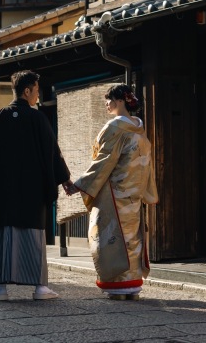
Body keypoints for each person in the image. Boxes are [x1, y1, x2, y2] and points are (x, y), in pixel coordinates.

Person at [0, 70, 75, 301]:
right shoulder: (37, 118)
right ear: (27, 91)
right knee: (32, 236)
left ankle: (0, 289)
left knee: (1, 234)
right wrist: (65, 179)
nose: (38, 95)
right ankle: (39, 288)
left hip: (2, 192)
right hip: (31, 191)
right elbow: (52, 153)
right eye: (37, 90)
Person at [68, 84, 158, 300]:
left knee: (111, 237)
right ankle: (132, 287)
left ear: (119, 101)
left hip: (114, 193)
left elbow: (103, 161)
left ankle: (118, 286)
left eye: (108, 100)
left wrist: (80, 184)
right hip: (134, 194)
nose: (106, 105)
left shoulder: (114, 128)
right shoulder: (139, 128)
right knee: (132, 238)